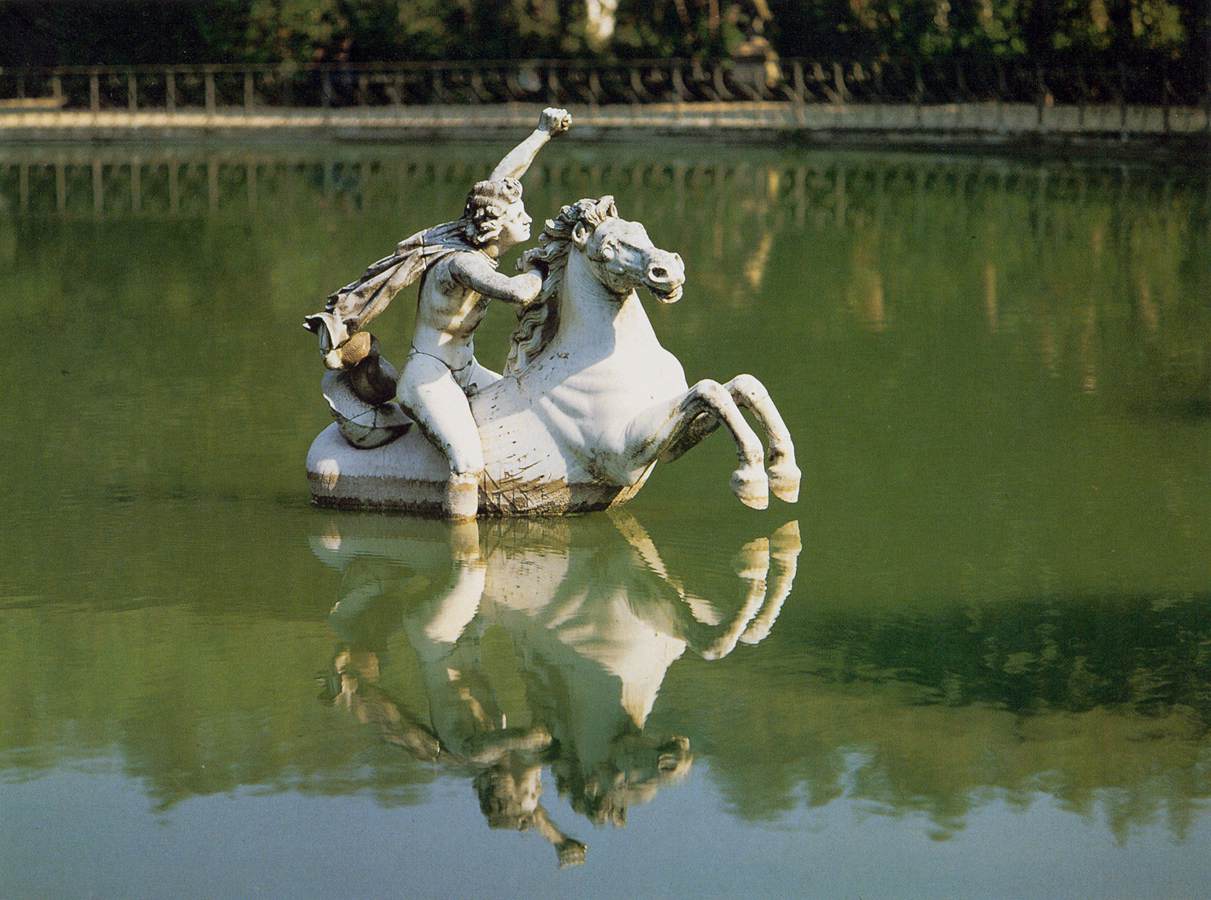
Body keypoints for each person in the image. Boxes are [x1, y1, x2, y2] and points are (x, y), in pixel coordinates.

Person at [305, 108, 572, 518]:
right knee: (465, 465)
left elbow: (505, 178)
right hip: (432, 376)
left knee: (524, 401)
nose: (529, 218)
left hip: (465, 370)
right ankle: (464, 553)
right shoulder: (463, 265)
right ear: (494, 225)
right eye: (519, 216)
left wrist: (541, 134)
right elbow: (520, 293)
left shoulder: (473, 239)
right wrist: (544, 261)